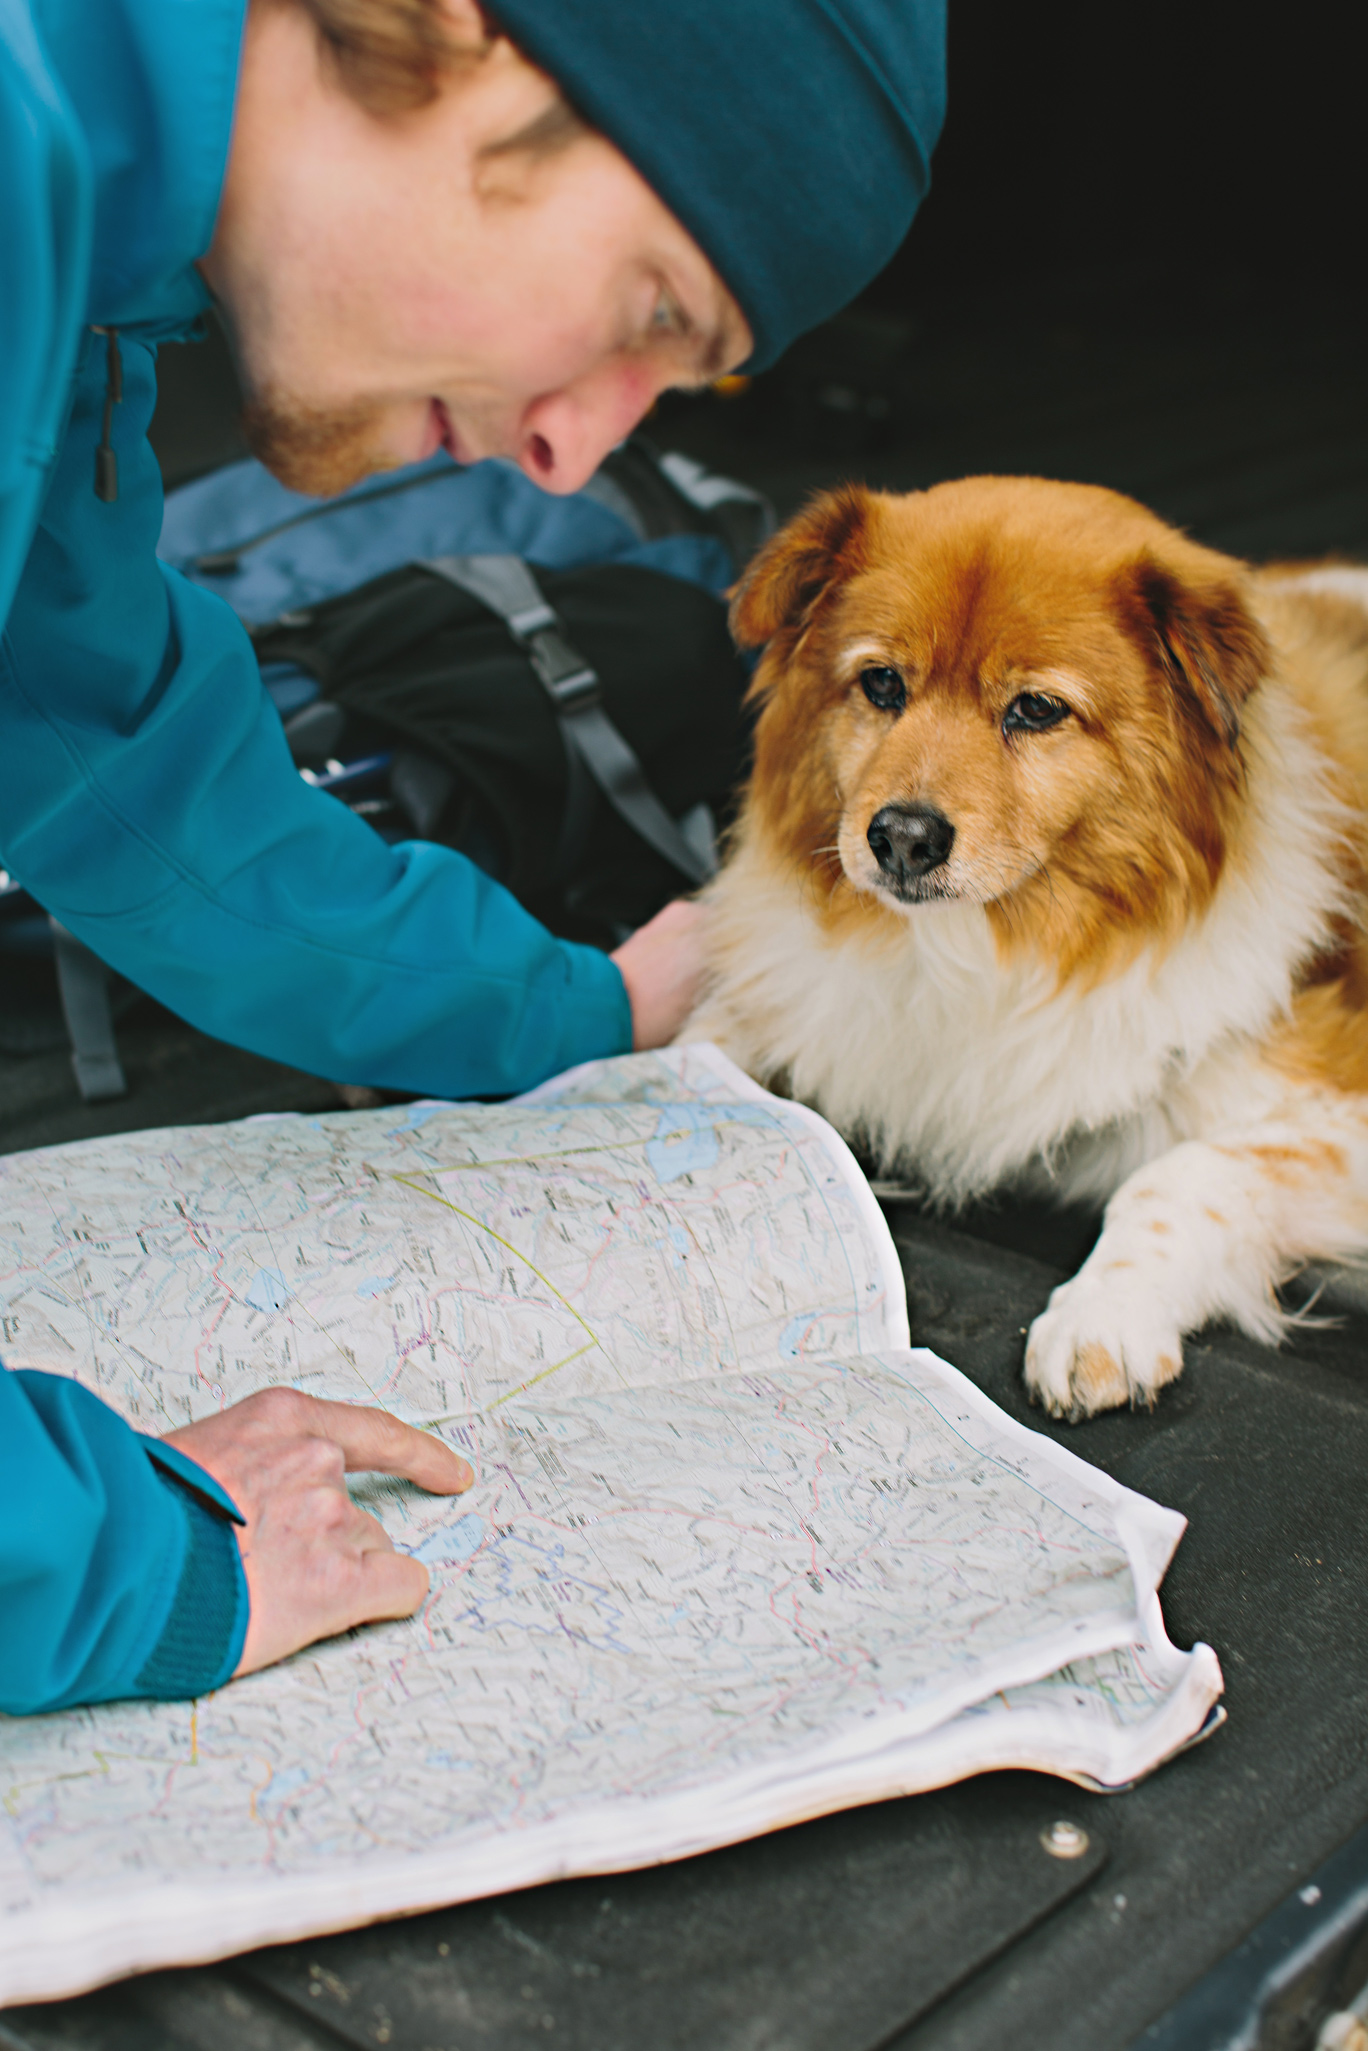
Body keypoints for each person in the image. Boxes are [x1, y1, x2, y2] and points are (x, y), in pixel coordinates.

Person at [0, 0, 945, 1713]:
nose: (580, 448)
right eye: (651, 310)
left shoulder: (73, 252)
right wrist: (113, 1555)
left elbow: (130, 774)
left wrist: (583, 1008)